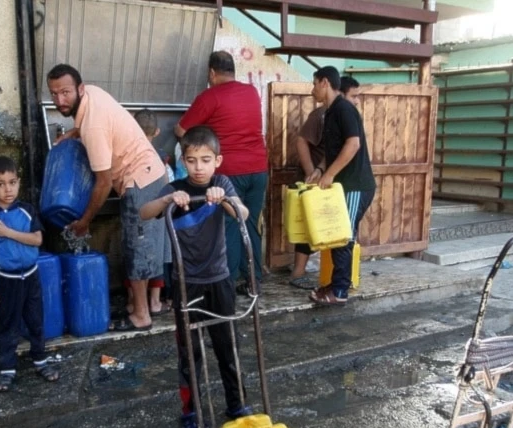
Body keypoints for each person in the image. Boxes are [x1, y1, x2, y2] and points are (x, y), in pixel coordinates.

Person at [139, 127, 252, 428]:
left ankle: (237, 403)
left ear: (217, 161)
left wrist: (224, 199)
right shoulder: (175, 188)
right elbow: (145, 211)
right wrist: (168, 200)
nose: (199, 167)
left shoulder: (222, 183)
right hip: (186, 283)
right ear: (183, 161)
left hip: (219, 279)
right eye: (191, 161)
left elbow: (242, 213)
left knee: (228, 345)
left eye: (205, 160)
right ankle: (192, 410)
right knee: (190, 351)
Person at [46, 64, 168, 332]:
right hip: (151, 173)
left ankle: (141, 315)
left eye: (65, 92)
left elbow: (103, 183)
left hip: (140, 181)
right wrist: (73, 132)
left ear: (79, 88)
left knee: (136, 247)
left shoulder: (93, 125)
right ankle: (139, 306)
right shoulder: (92, 94)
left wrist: (84, 222)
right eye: (54, 94)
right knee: (139, 245)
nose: (59, 100)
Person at [175, 51, 268, 296]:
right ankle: (254, 281)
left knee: (229, 225)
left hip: (230, 171)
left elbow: (182, 130)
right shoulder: (251, 92)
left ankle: (229, 282)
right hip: (259, 168)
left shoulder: (210, 96)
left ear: (212, 73)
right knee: (251, 223)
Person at [0, 156, 59, 392]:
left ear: (19, 182)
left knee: (35, 321)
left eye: (12, 182)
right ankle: (7, 369)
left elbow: (37, 239)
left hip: (31, 276)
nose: (7, 189)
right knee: (8, 325)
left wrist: (8, 232)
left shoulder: (27, 211)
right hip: (6, 280)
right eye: (0, 184)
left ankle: (40, 361)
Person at [308, 67, 376, 306]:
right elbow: (333, 151)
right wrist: (319, 170)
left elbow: (353, 145)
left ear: (325, 82)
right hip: (343, 187)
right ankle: (335, 284)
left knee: (344, 237)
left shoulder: (344, 109)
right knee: (337, 236)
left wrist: (330, 174)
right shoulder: (330, 112)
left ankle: (339, 291)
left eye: (314, 83)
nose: (312, 89)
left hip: (355, 185)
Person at [289, 75, 362, 290]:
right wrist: (313, 172)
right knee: (310, 227)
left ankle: (331, 279)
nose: (357, 101)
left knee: (329, 230)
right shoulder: (323, 114)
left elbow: (341, 149)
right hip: (318, 180)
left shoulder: (343, 114)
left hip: (329, 180)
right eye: (354, 96)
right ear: (340, 93)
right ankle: (300, 274)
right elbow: (301, 141)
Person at [130, 108, 172, 319]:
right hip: (158, 214)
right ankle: (155, 302)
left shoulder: (130, 156)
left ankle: (133, 303)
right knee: (157, 254)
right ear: (156, 132)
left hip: (136, 213)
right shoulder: (161, 157)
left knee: (134, 255)